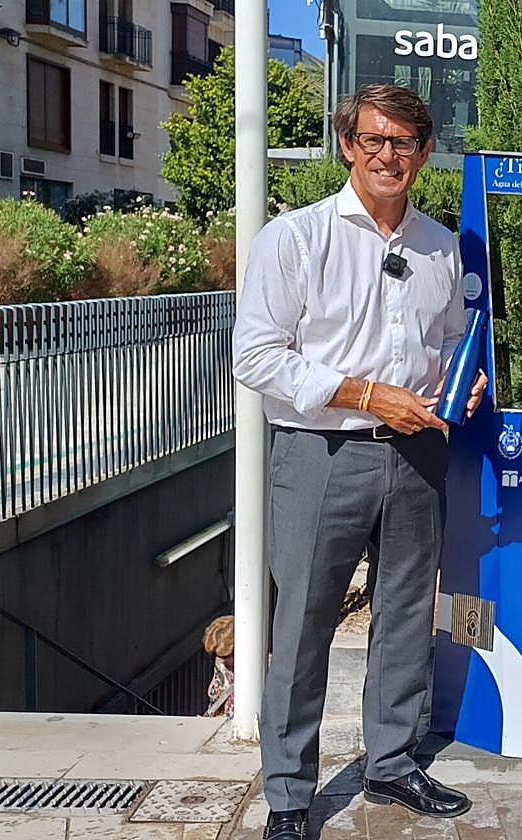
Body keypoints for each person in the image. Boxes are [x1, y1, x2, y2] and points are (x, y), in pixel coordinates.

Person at [233, 83, 486, 840]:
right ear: (347, 145)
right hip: (321, 453)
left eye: (403, 142)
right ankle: (287, 794)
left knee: (407, 616)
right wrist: (368, 394)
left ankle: (393, 762)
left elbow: (443, 344)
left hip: (416, 452)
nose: (387, 155)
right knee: (305, 620)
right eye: (373, 139)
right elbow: (255, 355)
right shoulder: (296, 238)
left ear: (424, 153)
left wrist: (456, 385)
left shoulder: (441, 245)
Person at [202, 615, 235, 718]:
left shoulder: (264, 668)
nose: (221, 661)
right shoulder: (220, 663)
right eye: (216, 656)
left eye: (225, 656)